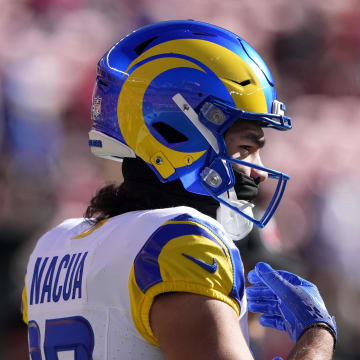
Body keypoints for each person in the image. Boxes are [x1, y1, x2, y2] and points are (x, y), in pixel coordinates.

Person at [22, 20, 336, 359]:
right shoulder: (182, 242)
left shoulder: (54, 245)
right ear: (179, 133)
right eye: (246, 147)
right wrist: (317, 335)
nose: (258, 173)